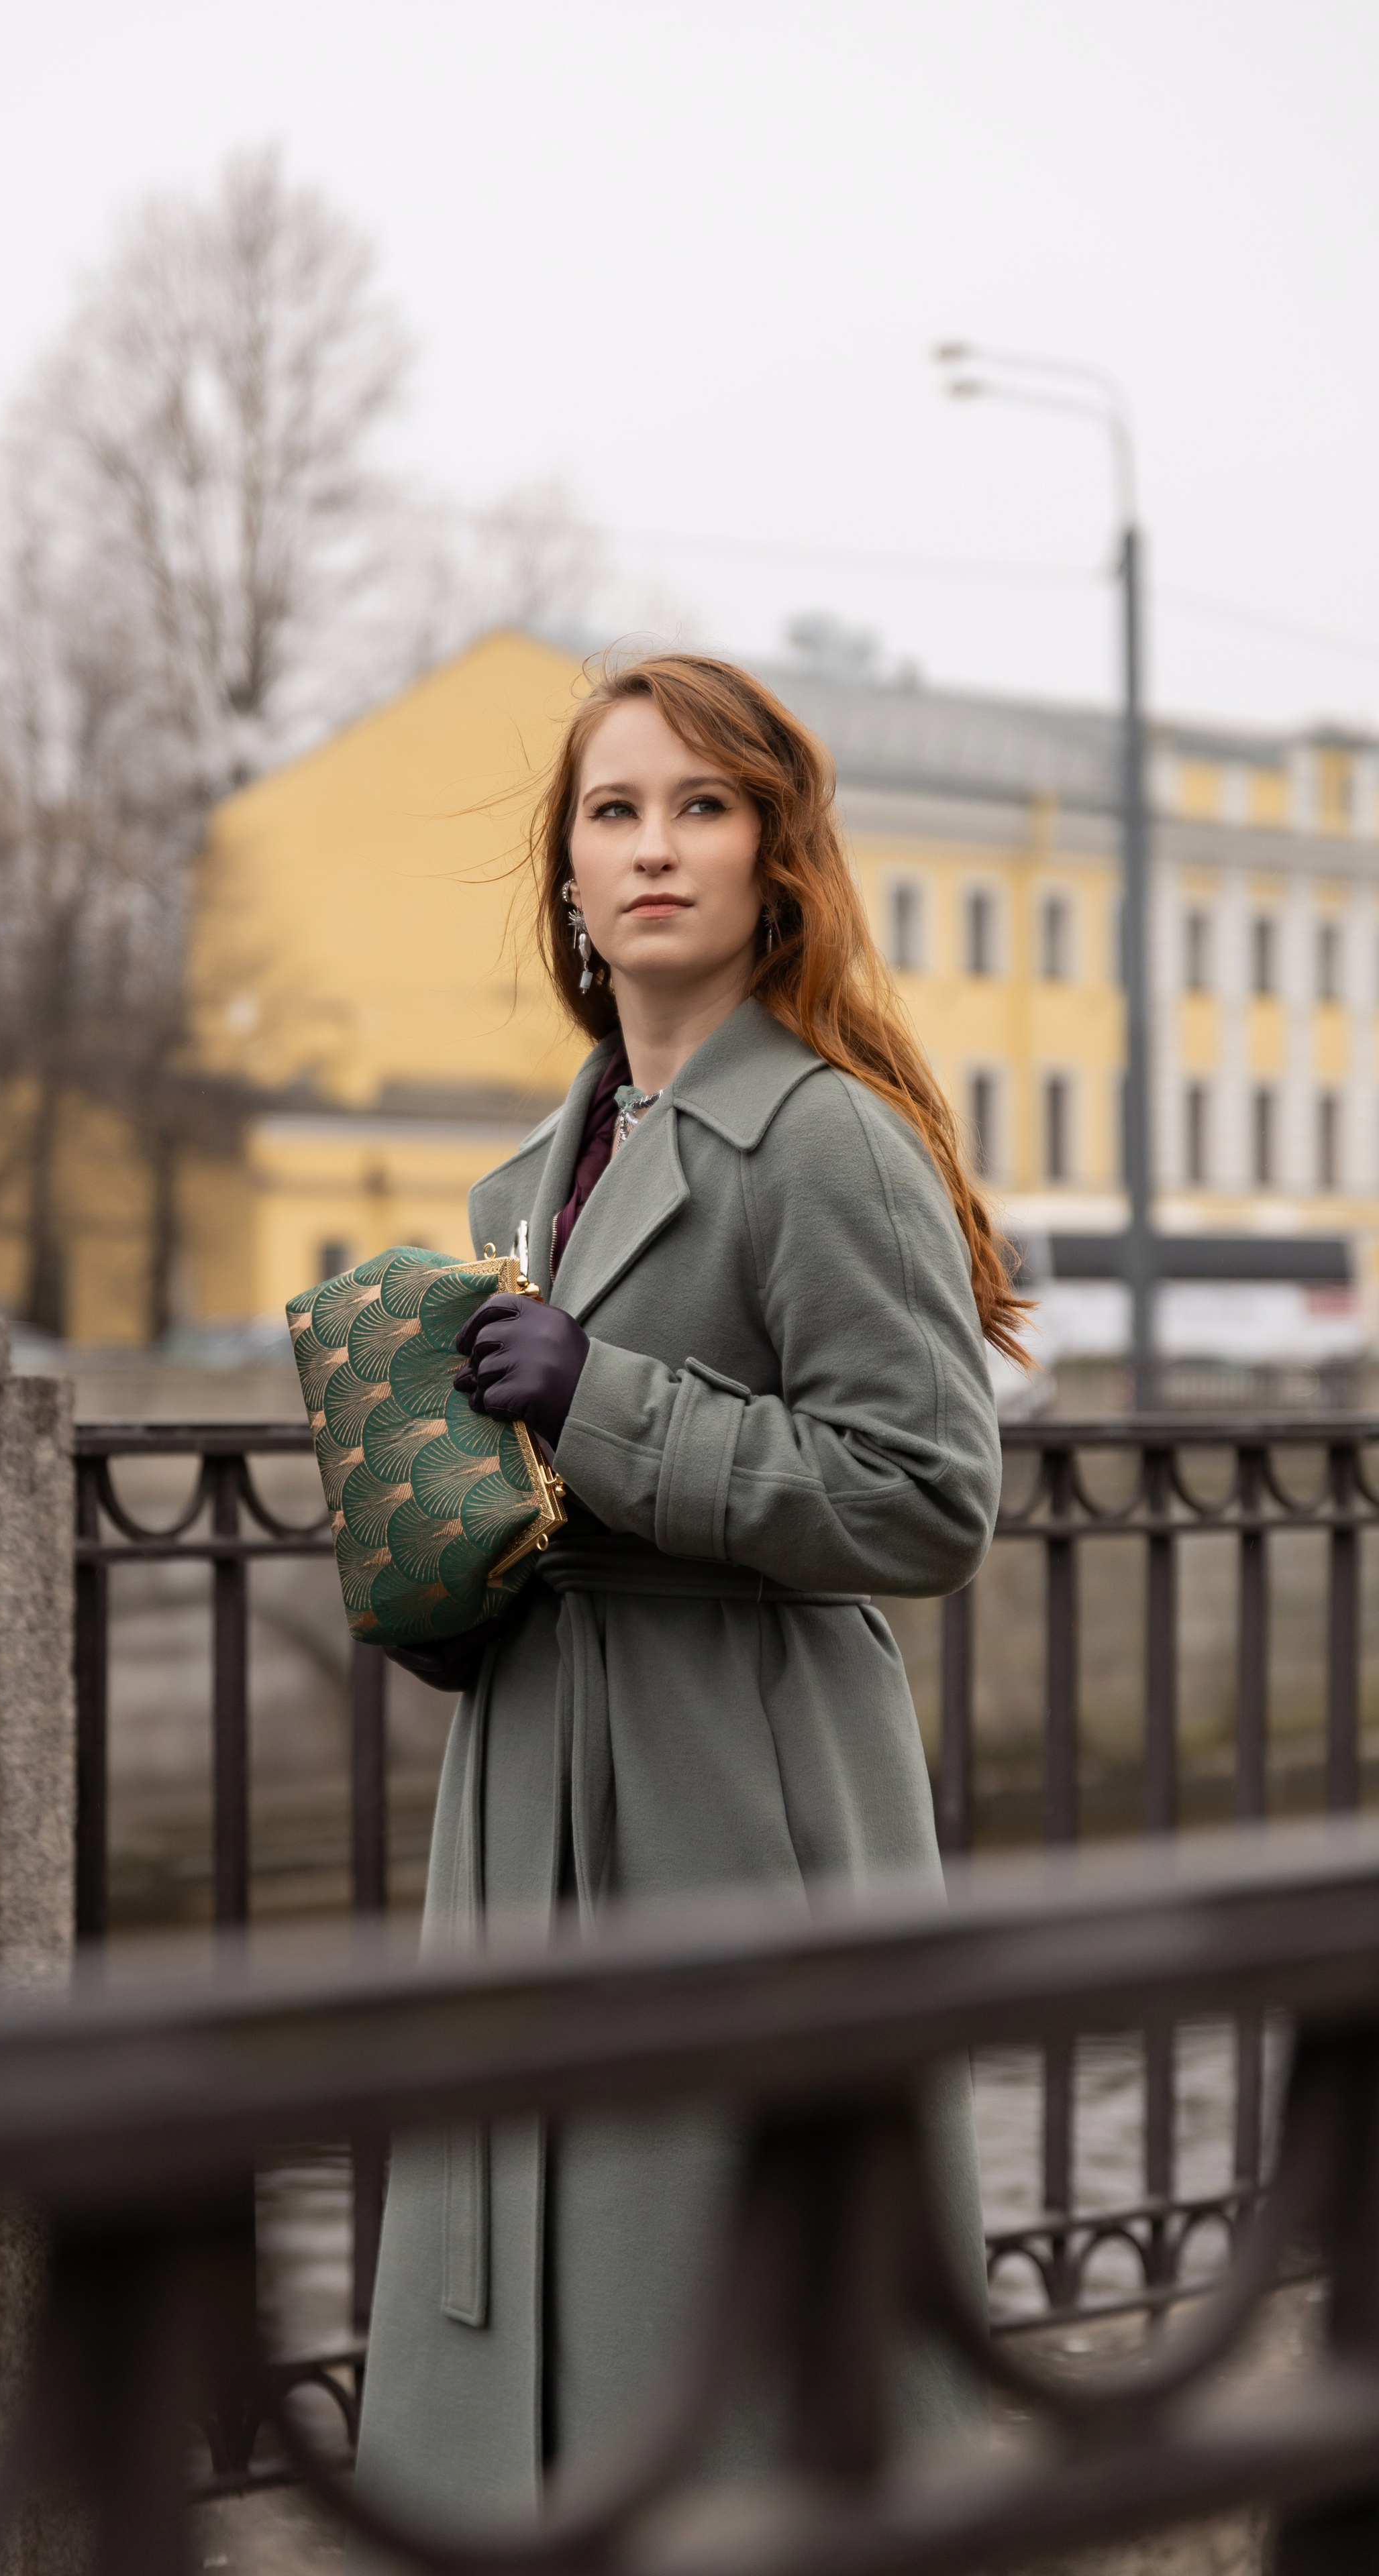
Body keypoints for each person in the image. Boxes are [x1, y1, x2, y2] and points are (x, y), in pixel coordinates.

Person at [352, 651, 1015, 2533]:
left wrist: (607, 1399)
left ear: (776, 862)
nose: (653, 848)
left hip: (747, 1789)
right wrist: (440, 1568)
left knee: (729, 2305)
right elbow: (538, 1494)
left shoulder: (827, 1141)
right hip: (538, 1778)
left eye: (701, 808)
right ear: (567, 869)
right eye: (613, 810)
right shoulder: (525, 1176)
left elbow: (929, 1500)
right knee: (522, 2261)